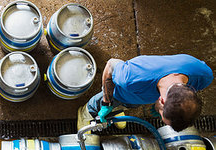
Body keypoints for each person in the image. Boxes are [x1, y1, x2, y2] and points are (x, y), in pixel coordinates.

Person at [77, 54, 214, 132]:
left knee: (131, 104)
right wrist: (107, 102)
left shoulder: (204, 76)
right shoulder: (130, 78)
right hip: (121, 93)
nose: (160, 118)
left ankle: (118, 109)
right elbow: (110, 65)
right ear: (161, 100)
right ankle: (85, 113)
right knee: (100, 104)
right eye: (162, 116)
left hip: (139, 96)